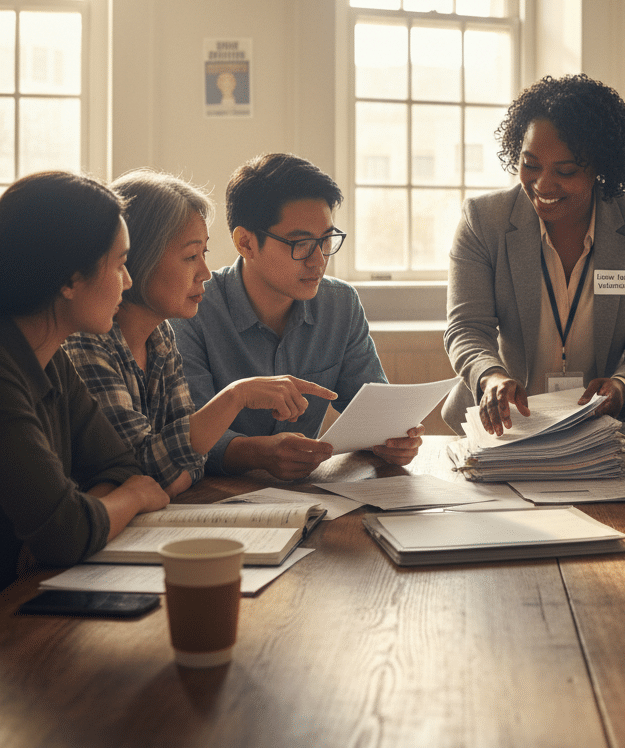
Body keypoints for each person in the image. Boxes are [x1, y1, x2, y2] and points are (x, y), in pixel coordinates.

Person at [67, 170, 336, 497]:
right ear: (137, 260)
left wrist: (155, 479)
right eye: (191, 256)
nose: (205, 273)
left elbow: (192, 462)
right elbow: (138, 469)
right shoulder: (86, 345)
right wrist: (236, 396)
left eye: (204, 254)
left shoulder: (161, 336)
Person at [443, 73, 625, 437]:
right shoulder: (483, 221)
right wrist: (491, 377)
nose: (543, 185)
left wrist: (622, 386)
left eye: (565, 171)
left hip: (605, 427)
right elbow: (466, 328)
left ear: (600, 168)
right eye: (530, 164)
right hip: (506, 428)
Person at [171, 153, 421, 479]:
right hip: (216, 498)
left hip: (309, 496)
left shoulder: (340, 304)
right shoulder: (193, 309)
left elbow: (373, 411)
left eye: (326, 240)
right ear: (245, 243)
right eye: (300, 243)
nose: (318, 260)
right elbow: (185, 436)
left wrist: (392, 440)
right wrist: (260, 453)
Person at [0, 171, 169, 588]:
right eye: (121, 263)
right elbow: (66, 534)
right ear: (70, 280)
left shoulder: (50, 356)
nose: (127, 282)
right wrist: (131, 498)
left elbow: (120, 465)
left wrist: (79, 517)